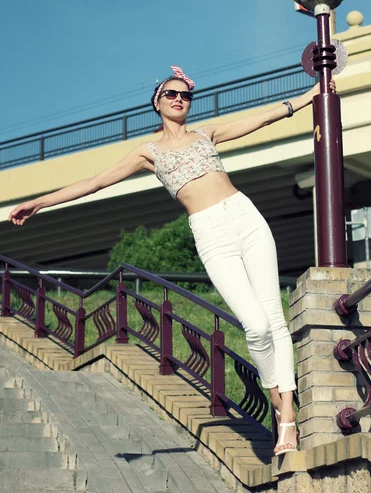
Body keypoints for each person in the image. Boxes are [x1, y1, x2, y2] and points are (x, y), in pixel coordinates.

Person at [9, 65, 334, 455]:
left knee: (274, 319)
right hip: (210, 232)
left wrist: (312, 95)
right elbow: (95, 181)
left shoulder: (205, 133)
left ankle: (287, 422)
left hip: (245, 217)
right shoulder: (148, 151)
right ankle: (281, 402)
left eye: (185, 95)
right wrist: (40, 203)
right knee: (255, 325)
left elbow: (260, 119)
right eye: (172, 95)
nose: (180, 99)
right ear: (157, 103)